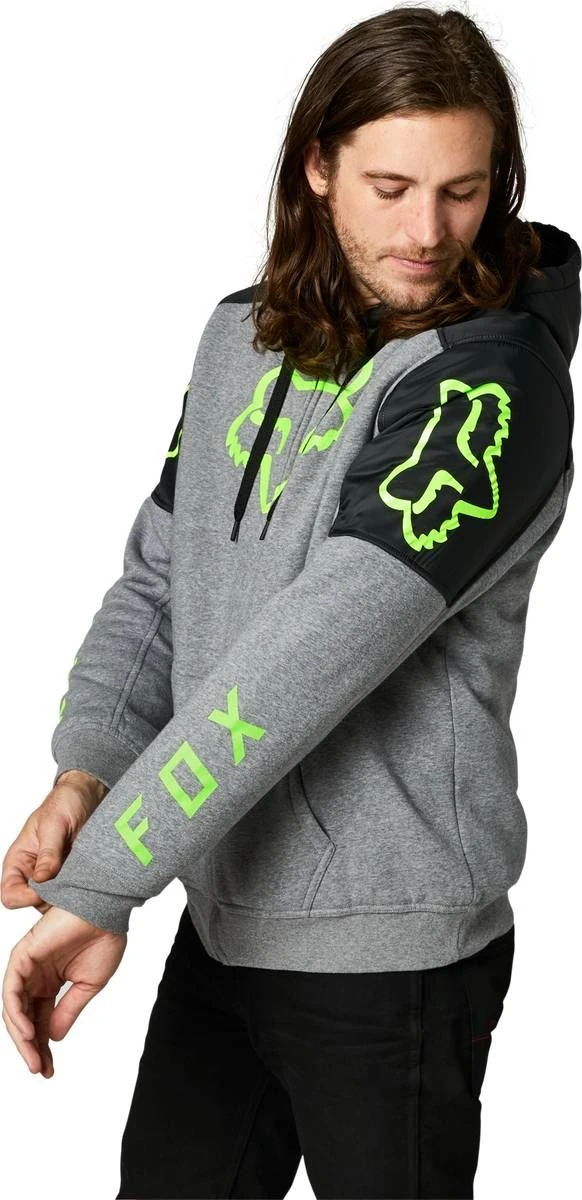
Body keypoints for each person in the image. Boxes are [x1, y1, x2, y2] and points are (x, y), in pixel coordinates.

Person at [2, 6, 579, 1198]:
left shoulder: (490, 387)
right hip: (225, 916)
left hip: (389, 952)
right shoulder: (243, 338)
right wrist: (87, 773)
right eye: (390, 187)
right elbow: (161, 580)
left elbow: (304, 664)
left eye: (464, 192)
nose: (427, 232)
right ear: (318, 167)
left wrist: (105, 878)